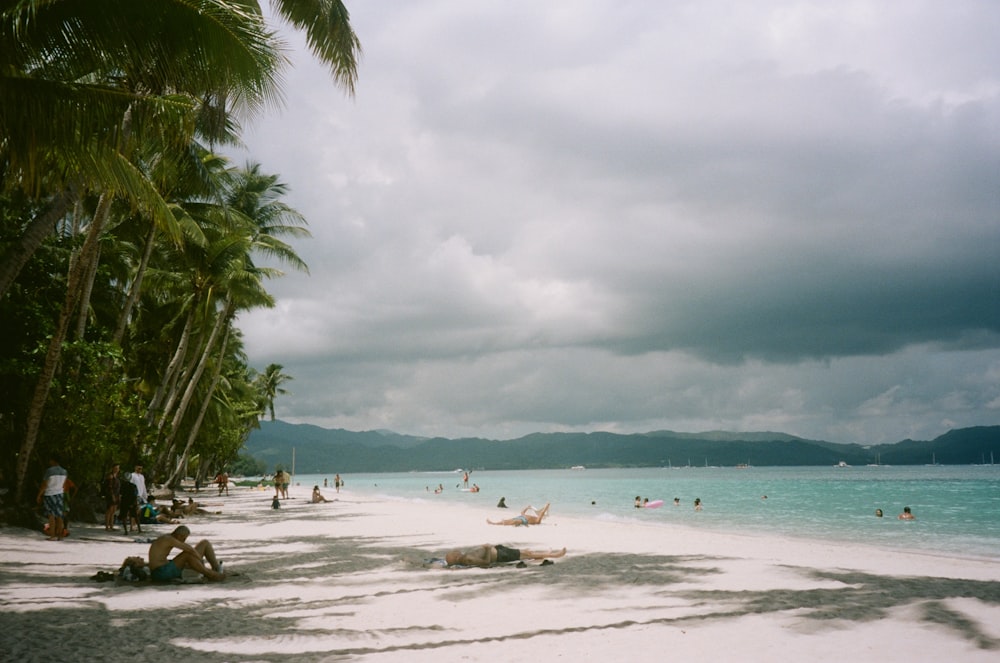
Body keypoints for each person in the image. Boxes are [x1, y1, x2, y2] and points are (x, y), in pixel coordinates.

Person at [147, 525, 225, 582]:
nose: (184, 540)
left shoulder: (168, 538)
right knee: (187, 554)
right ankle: (211, 574)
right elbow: (189, 549)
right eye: (184, 538)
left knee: (204, 543)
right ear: (178, 535)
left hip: (164, 568)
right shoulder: (168, 539)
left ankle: (215, 568)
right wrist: (199, 559)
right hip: (160, 573)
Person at [443, 544, 567, 568]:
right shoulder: (468, 559)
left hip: (498, 550)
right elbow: (486, 563)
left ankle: (547, 553)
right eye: (453, 553)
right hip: (501, 555)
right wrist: (486, 549)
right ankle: (555, 555)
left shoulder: (465, 557)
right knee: (526, 554)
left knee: (525, 553)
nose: (455, 551)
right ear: (456, 558)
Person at [36, 455, 69, 541]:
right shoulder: (64, 471)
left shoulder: (49, 471)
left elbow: (44, 484)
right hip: (59, 494)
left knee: (51, 515)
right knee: (59, 516)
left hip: (50, 494)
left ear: (53, 461)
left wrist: (39, 495)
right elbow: (64, 484)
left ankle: (52, 535)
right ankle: (60, 535)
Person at [104, 463, 121, 530]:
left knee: (113, 511)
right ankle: (107, 526)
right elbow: (110, 487)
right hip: (111, 495)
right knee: (109, 510)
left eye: (118, 468)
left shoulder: (117, 476)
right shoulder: (110, 476)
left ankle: (111, 525)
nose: (117, 470)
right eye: (116, 468)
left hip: (116, 494)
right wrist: (112, 495)